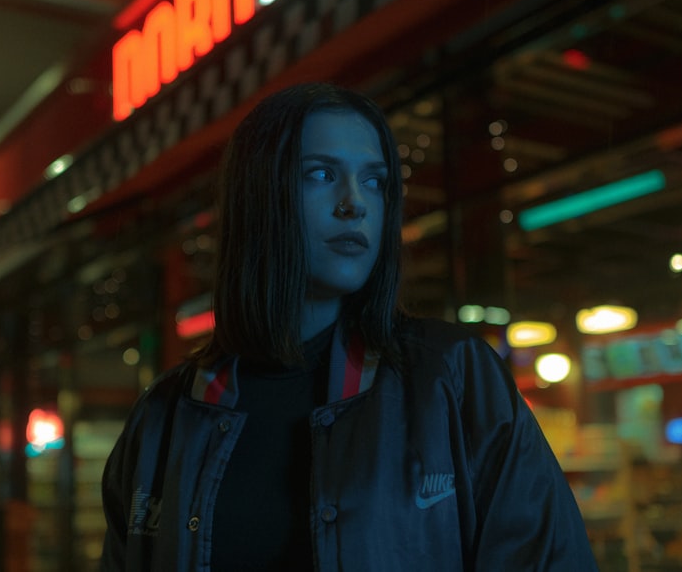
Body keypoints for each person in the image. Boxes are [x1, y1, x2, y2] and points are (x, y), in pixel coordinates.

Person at [100, 82, 597, 571]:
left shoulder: (452, 377)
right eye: (320, 174)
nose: (354, 203)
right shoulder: (165, 415)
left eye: (374, 181)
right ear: (256, 196)